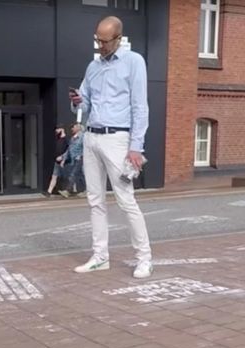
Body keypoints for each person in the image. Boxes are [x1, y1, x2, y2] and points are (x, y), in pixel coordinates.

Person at [69, 15, 153, 279]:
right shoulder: (92, 68)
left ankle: (144, 259)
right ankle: (100, 257)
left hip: (118, 139)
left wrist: (136, 147)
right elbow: (84, 105)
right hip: (91, 137)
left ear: (118, 38)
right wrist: (77, 101)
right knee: (95, 201)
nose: (100, 46)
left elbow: (140, 107)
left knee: (126, 200)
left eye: (105, 41)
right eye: (97, 40)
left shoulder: (134, 62)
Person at [58, 122, 86, 198]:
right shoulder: (73, 138)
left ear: (78, 127)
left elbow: (86, 148)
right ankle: (83, 190)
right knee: (79, 175)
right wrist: (63, 158)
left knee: (73, 174)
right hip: (74, 159)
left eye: (73, 127)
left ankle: (67, 190)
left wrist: (82, 155)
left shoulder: (83, 137)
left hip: (80, 158)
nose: (71, 129)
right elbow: (69, 149)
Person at [43, 125, 70, 197]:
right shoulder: (57, 139)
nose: (56, 131)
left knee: (66, 177)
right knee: (54, 176)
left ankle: (67, 190)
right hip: (57, 162)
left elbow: (69, 150)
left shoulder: (66, 140)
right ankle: (49, 191)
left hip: (65, 162)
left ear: (62, 129)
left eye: (58, 129)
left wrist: (62, 157)